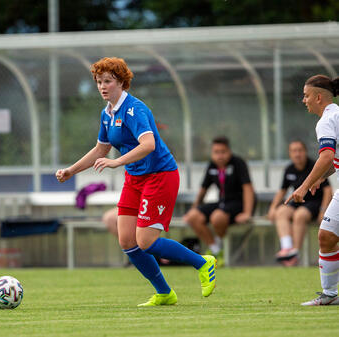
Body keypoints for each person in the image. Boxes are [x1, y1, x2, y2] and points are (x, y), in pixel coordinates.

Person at [56, 57, 216, 306]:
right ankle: (164, 293)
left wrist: (116, 162)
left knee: (146, 241)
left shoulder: (134, 109)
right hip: (135, 179)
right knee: (127, 241)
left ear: (121, 82)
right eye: (99, 82)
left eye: (107, 81)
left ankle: (203, 262)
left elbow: (149, 145)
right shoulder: (107, 113)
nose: (102, 86)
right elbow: (101, 149)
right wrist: (71, 171)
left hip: (160, 176)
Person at [285, 74, 339, 306]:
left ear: (318, 97)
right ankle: (329, 294)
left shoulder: (327, 120)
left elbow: (327, 155)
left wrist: (305, 186)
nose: (303, 100)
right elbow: (332, 161)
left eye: (306, 96)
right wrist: (320, 178)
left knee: (326, 236)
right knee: (326, 236)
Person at [183, 136, 255, 267]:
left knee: (217, 217)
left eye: (223, 152)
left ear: (229, 152)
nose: (220, 156)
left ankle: (218, 245)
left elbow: (248, 189)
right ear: (212, 153)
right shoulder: (212, 165)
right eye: (216, 152)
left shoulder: (238, 163)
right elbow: (203, 189)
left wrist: (247, 212)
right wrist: (194, 208)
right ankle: (216, 250)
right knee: (193, 217)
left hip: (239, 203)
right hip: (222, 202)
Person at [267, 140, 332, 266]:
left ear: (305, 152)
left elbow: (327, 190)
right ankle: (287, 248)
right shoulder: (289, 169)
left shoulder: (315, 165)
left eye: (300, 150)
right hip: (297, 201)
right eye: (294, 151)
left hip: (314, 202)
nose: (297, 154)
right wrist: (272, 208)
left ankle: (295, 253)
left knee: (299, 215)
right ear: (290, 154)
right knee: (280, 212)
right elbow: (282, 190)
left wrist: (323, 210)